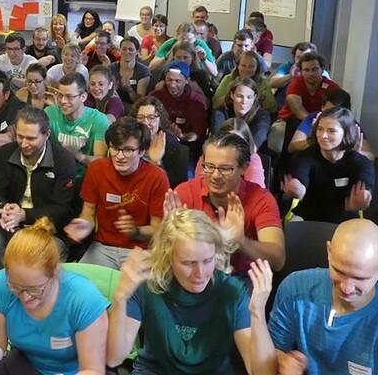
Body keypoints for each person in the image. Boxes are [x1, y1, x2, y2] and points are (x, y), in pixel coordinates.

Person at [256, 219, 378, 375]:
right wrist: (283, 363)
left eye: (360, 278)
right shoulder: (294, 290)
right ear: (329, 252)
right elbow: (272, 352)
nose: (346, 288)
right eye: (339, 271)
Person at [0, 217, 109, 375]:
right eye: (16, 287)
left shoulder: (84, 298)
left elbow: (92, 369)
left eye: (35, 289)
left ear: (55, 273)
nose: (25, 297)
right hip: (26, 365)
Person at [106, 209, 257, 374]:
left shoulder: (233, 291)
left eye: (207, 261)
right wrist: (120, 298)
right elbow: (114, 358)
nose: (200, 273)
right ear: (168, 258)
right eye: (188, 263)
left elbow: (257, 369)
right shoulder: (146, 285)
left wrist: (258, 313)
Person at [169, 131, 284, 275]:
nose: (215, 175)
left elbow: (278, 261)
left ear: (244, 168)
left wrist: (240, 241)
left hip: (241, 277)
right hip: (194, 273)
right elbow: (166, 251)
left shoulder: (261, 199)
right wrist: (169, 231)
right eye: (209, 166)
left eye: (225, 169)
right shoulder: (186, 192)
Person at [65, 117, 169, 269]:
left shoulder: (157, 177)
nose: (119, 156)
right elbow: (88, 213)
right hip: (103, 247)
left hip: (141, 251)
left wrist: (136, 231)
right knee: (80, 284)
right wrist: (84, 226)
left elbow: (158, 228)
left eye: (127, 150)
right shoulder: (97, 169)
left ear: (141, 151)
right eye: (115, 148)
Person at [0, 106, 76, 250]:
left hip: (48, 230)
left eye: (31, 138)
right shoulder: (5, 153)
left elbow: (62, 208)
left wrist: (24, 215)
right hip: (9, 225)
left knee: (34, 261)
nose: (24, 143)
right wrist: (3, 207)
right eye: (20, 136)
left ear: (46, 134)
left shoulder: (64, 160)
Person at [281, 107, 374, 223]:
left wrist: (363, 199)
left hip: (346, 222)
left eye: (331, 131)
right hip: (308, 218)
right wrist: (297, 189)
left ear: (346, 133)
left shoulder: (360, 162)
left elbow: (365, 187)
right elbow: (300, 178)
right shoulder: (305, 156)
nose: (323, 136)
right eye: (320, 129)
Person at [45, 72, 110, 179]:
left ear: (83, 96)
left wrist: (78, 155)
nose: (63, 101)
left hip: (84, 177)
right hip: (54, 175)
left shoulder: (98, 119)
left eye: (69, 96)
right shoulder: (49, 113)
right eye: (60, 95)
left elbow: (101, 162)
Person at [287, 88, 376, 161]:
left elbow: (371, 156)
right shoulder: (312, 118)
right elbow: (292, 147)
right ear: (322, 107)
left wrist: (355, 152)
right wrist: (315, 139)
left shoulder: (350, 123)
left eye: (337, 114)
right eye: (328, 112)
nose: (331, 117)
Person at [276, 53, 339, 135]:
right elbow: (298, 111)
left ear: (322, 69)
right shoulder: (296, 83)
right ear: (301, 72)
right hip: (292, 119)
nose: (311, 73)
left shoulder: (332, 87)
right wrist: (315, 124)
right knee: (295, 123)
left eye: (315, 69)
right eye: (306, 70)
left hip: (321, 121)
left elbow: (337, 111)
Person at [152, 61, 209, 149]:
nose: (173, 85)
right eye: (169, 80)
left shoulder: (196, 101)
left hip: (185, 147)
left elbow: (198, 134)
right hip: (156, 143)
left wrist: (182, 136)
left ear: (187, 81)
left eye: (177, 81)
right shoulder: (155, 97)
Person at [211, 78, 272, 153]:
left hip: (252, 156)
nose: (244, 101)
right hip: (223, 154)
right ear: (232, 95)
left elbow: (256, 143)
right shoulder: (221, 112)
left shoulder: (262, 116)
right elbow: (217, 139)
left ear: (255, 97)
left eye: (249, 97)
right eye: (240, 96)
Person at [130, 96, 180, 170]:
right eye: (140, 117)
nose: (145, 123)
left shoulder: (170, 143)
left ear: (160, 120)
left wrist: (156, 161)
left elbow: (172, 179)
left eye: (151, 118)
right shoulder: (129, 140)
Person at [152, 23, 217, 75]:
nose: (185, 43)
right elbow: (151, 67)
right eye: (182, 39)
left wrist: (204, 59)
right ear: (177, 37)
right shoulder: (171, 43)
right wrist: (169, 54)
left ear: (195, 38)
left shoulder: (200, 44)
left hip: (195, 75)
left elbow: (214, 73)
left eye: (189, 40)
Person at [110, 37, 150, 106]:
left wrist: (129, 90)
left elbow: (140, 102)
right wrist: (113, 90)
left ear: (137, 52)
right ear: (119, 50)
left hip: (132, 107)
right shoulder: (111, 68)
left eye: (131, 49)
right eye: (124, 49)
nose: (127, 52)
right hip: (113, 104)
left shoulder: (143, 71)